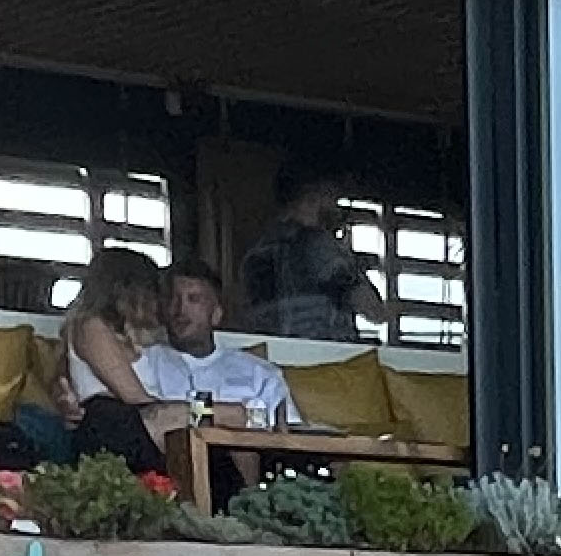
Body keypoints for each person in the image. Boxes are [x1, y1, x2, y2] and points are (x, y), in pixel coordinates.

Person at [54, 247, 185, 473]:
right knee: (218, 419)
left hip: (140, 424)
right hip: (114, 424)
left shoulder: (137, 335)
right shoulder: (91, 327)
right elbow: (134, 396)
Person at [135, 262, 299, 428]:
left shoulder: (261, 374)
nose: (181, 310)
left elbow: (290, 435)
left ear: (216, 314)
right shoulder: (144, 364)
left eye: (194, 299)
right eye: (173, 299)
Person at [238, 165, 386, 341]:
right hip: (323, 351)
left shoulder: (258, 251)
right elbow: (372, 310)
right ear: (315, 197)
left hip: (274, 352)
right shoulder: (320, 245)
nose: (337, 208)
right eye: (333, 198)